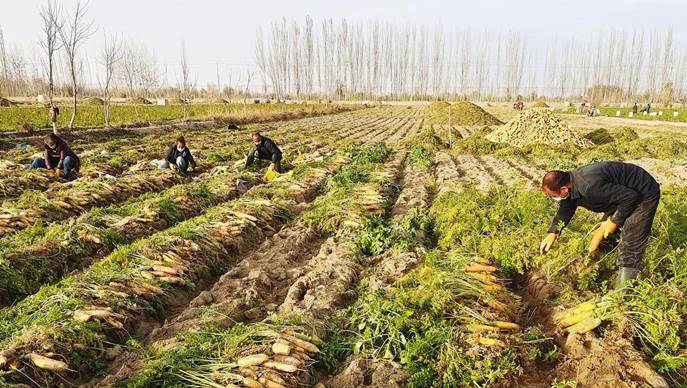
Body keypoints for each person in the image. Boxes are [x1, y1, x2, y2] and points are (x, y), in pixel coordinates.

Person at [539, 162, 660, 289]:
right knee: (603, 237)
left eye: (553, 196)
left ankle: (624, 292)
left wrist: (613, 221)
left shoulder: (589, 187)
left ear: (564, 189)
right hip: (621, 196)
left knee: (631, 239)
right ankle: (604, 275)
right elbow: (566, 208)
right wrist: (553, 232)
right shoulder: (571, 183)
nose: (554, 198)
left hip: (643, 192)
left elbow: (630, 197)